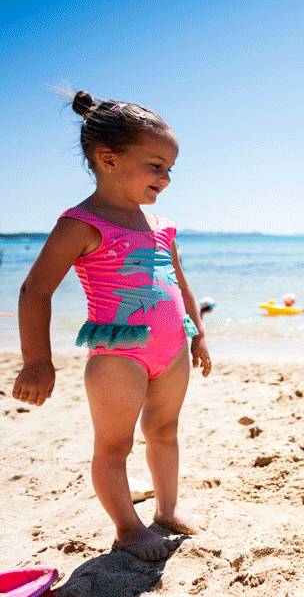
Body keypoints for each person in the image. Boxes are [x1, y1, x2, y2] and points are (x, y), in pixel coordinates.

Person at [12, 90, 211, 562]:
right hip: (118, 352)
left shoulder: (161, 224)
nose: (165, 178)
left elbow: (180, 283)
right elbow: (34, 292)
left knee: (165, 430)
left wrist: (198, 334)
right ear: (108, 159)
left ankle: (167, 508)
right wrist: (37, 361)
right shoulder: (82, 222)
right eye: (156, 165)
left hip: (172, 347)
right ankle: (127, 528)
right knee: (115, 444)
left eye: (169, 169)